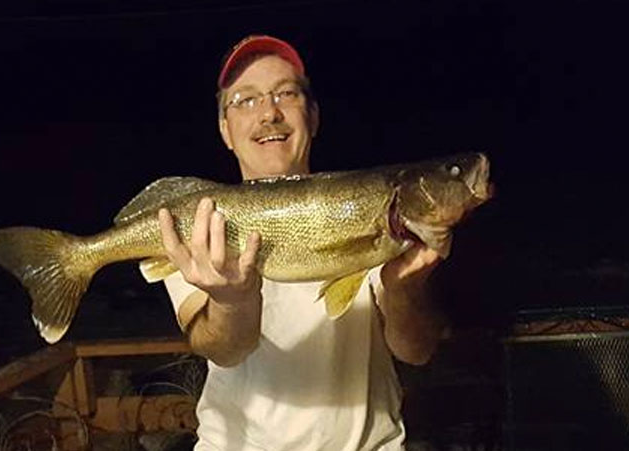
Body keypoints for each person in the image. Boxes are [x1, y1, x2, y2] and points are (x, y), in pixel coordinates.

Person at [155, 35, 447, 450]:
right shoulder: (199, 222)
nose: (269, 113)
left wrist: (404, 289)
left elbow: (416, 351)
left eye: (285, 94)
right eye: (246, 100)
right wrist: (231, 302)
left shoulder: (370, 206)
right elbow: (223, 350)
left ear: (312, 115)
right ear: (225, 129)